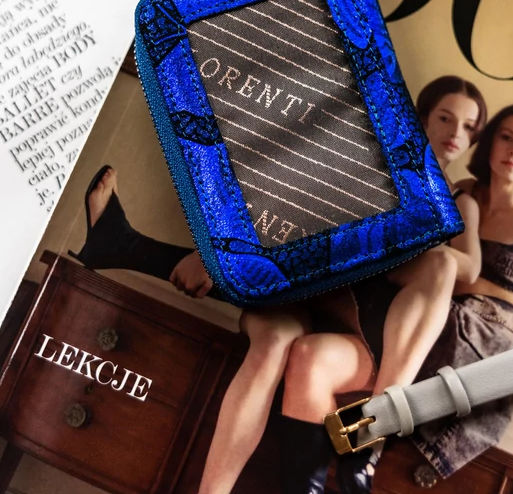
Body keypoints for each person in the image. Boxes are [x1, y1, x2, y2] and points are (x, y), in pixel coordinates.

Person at [68, 75, 487, 494]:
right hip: (309, 296)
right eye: (446, 118)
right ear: (422, 117)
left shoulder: (458, 202)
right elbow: (299, 213)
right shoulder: (375, 165)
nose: (455, 132)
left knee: (434, 263)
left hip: (369, 331)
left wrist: (405, 238)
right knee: (275, 338)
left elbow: (466, 268)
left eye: (469, 127)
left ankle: (376, 430)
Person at [279, 103, 513, 492]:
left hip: (488, 347)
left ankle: (371, 439)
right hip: (423, 330)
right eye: (506, 137)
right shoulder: (456, 192)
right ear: (488, 142)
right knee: (312, 355)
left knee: (437, 270)